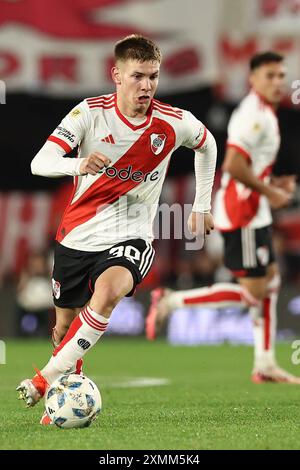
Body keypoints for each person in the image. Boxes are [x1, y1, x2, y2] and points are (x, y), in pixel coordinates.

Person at [17, 34, 217, 421]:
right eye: (138, 76)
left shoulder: (173, 123)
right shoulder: (89, 114)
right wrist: (77, 165)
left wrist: (203, 204)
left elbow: (207, 145)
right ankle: (67, 391)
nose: (146, 86)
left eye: (153, 77)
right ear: (116, 75)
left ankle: (44, 381)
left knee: (108, 293)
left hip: (132, 235)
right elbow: (39, 163)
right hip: (77, 235)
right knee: (62, 328)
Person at [146, 51, 300, 384]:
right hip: (242, 211)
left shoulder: (266, 114)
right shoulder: (254, 117)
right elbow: (232, 165)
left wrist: (272, 183)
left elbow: (249, 168)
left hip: (253, 208)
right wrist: (270, 192)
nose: (278, 82)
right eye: (270, 76)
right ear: (253, 78)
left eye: (281, 75)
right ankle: (172, 299)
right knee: (251, 294)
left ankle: (265, 363)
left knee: (270, 281)